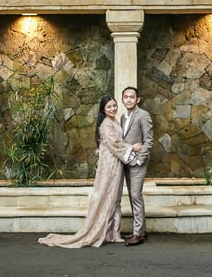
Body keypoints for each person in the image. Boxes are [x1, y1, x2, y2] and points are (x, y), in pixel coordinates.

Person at [38, 96, 141, 248]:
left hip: (116, 163)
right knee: (107, 196)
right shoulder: (106, 124)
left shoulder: (114, 121)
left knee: (115, 198)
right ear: (103, 109)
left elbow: (118, 143)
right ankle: (102, 231)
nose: (113, 108)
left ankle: (113, 233)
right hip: (109, 165)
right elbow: (115, 144)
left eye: (114, 105)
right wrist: (132, 148)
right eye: (109, 107)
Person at [119, 86, 154, 247]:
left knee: (135, 195)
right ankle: (141, 230)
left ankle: (138, 234)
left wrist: (140, 160)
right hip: (127, 161)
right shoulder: (122, 117)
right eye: (126, 97)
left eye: (131, 97)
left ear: (137, 100)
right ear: (122, 100)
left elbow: (149, 140)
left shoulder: (143, 115)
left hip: (138, 163)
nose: (129, 99)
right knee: (133, 196)